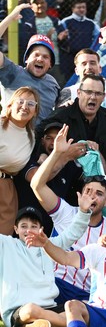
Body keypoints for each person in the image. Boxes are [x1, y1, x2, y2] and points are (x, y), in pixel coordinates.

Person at [30, 124, 106, 302]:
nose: (92, 197)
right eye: (88, 191)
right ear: (80, 194)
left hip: (87, 294)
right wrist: (58, 154)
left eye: (99, 194)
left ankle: (44, 318)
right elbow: (37, 185)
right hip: (55, 285)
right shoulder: (65, 212)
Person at [0, 203, 91, 327]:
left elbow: (72, 233)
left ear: (41, 229)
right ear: (15, 229)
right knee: (31, 310)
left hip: (50, 307)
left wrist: (83, 211)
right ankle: (74, 324)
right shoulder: (6, 244)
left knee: (83, 307)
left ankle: (32, 326)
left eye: (33, 227)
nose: (28, 231)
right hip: (20, 310)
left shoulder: (48, 245)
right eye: (23, 226)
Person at [0, 12, 60, 124]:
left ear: (51, 64)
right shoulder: (13, 72)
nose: (40, 59)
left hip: (38, 139)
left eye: (45, 57)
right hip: (9, 137)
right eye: (36, 55)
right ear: (26, 58)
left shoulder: (53, 83)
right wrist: (10, 18)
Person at [36, 74, 106, 151]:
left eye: (98, 93)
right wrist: (42, 154)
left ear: (103, 97)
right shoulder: (62, 115)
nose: (93, 97)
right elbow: (38, 133)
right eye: (88, 92)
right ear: (79, 93)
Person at [0, 87, 40, 234]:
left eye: (30, 104)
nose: (25, 106)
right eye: (20, 101)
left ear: (35, 111)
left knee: (4, 241)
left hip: (8, 190)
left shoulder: (31, 136)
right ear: (10, 105)